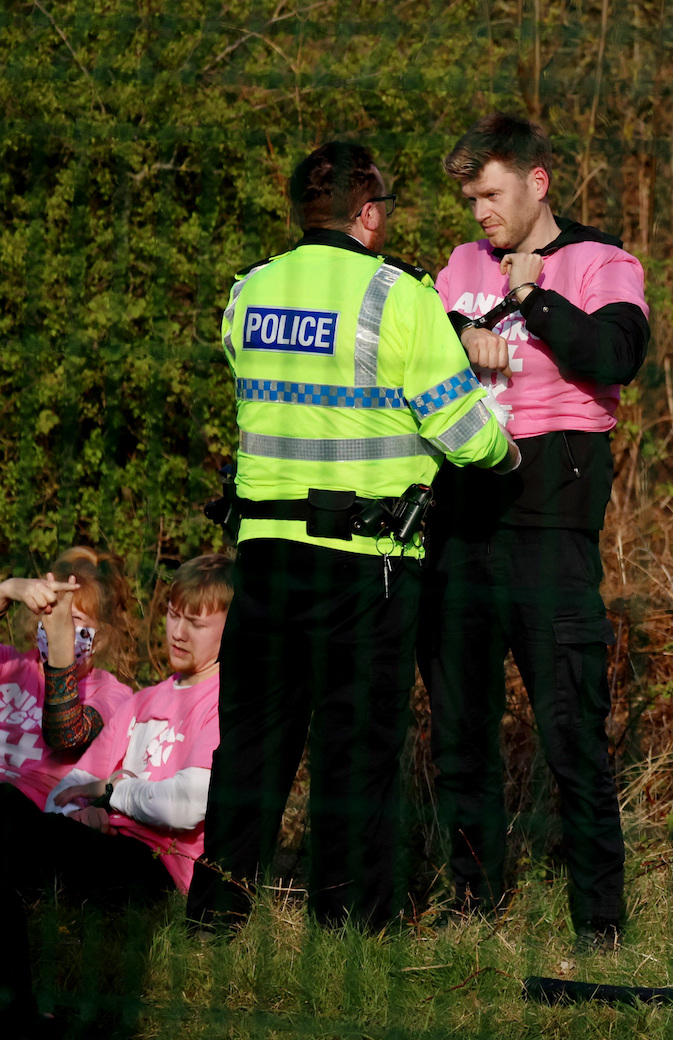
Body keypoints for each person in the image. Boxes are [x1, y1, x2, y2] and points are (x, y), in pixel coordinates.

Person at [186, 141, 518, 933]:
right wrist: (507, 453)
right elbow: (462, 431)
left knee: (254, 744)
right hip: (366, 563)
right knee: (357, 748)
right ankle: (348, 927)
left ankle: (216, 914)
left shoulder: (248, 292)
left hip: (263, 555)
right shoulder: (396, 296)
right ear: (368, 216)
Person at [419, 113, 649, 942]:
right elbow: (421, 337)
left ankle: (601, 928)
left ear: (536, 181)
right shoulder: (457, 265)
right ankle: (474, 907)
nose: (479, 212)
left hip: (551, 518)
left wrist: (529, 296)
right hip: (459, 514)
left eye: (490, 193)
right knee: (461, 733)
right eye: (470, 197)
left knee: (570, 731)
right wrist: (462, 331)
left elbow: (616, 353)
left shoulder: (602, 261)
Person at [1, 553, 232, 1037]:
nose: (178, 632)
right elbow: (71, 786)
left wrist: (112, 794)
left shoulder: (218, 702)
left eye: (196, 623)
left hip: (156, 862)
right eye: (172, 615)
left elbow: (189, 802)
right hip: (104, 841)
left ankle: (20, 1007)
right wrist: (83, 806)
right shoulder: (147, 699)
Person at [0, 548, 136, 809]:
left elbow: (66, 735)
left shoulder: (111, 693)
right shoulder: (10, 664)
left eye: (74, 619)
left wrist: (60, 649)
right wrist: (5, 591)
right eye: (51, 612)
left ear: (102, 636)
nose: (58, 624)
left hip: (31, 811)